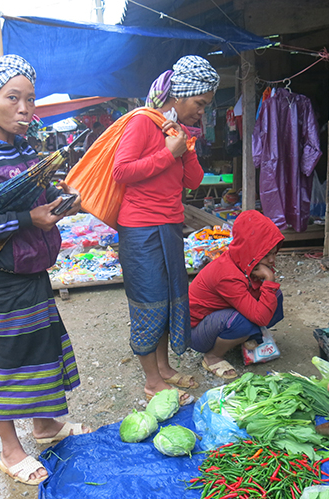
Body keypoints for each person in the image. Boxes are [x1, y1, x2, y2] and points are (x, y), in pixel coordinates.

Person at [0, 54, 89, 486]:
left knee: (42, 349)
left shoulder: (27, 150)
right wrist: (30, 220)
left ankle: (46, 426)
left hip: (33, 272)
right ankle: (11, 452)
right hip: (0, 279)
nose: (25, 108)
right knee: (7, 361)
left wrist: (63, 202)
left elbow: (40, 198)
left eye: (31, 99)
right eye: (14, 98)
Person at [113, 55, 219, 403]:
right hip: (141, 229)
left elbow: (194, 180)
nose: (203, 111)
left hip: (170, 224)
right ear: (181, 95)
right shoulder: (143, 122)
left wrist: (183, 146)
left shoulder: (176, 129)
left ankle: (164, 368)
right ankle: (152, 382)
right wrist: (167, 153)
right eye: (200, 103)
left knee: (169, 297)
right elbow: (123, 171)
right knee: (149, 301)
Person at [189, 210, 285, 379]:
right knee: (244, 321)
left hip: (219, 317)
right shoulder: (227, 275)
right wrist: (269, 278)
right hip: (195, 331)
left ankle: (244, 337)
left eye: (273, 253)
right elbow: (261, 317)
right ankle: (212, 356)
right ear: (251, 251)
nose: (272, 261)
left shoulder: (244, 260)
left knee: (275, 297)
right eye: (266, 255)